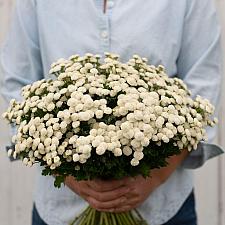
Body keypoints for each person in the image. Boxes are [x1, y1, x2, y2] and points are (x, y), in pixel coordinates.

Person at [0, 0, 223, 225]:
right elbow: (17, 84)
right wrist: (69, 175)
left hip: (162, 207)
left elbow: (203, 84)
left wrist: (154, 177)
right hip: (60, 208)